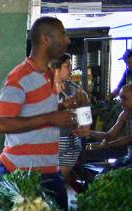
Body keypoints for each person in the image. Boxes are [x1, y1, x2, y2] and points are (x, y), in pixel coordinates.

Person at [0, 16, 76, 210]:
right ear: (46, 39)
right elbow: (2, 124)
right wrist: (51, 118)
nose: (67, 40)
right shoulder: (18, 78)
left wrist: (62, 111)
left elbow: (38, 111)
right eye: (63, 34)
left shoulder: (49, 74)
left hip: (49, 169)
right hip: (22, 171)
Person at [80, 82, 132, 170]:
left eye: (124, 98)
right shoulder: (125, 113)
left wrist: (105, 145)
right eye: (120, 98)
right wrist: (89, 132)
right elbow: (110, 135)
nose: (121, 102)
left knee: (110, 173)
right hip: (131, 158)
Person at [52, 53, 89, 193]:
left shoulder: (76, 91)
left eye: (71, 67)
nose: (70, 70)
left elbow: (85, 117)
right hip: (48, 144)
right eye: (67, 66)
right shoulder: (44, 90)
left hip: (69, 144)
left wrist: (85, 128)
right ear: (56, 68)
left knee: (59, 181)